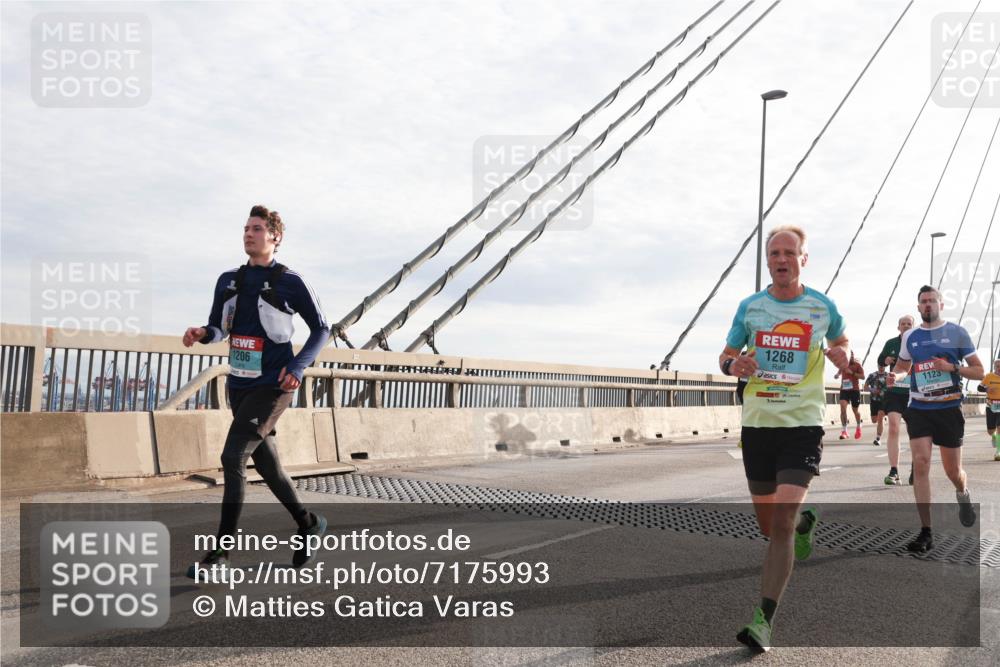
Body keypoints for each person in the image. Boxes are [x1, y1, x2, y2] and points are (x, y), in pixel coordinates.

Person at [720, 225, 850, 653]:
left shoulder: (822, 306)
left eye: (789, 253)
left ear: (803, 259)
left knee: (779, 522)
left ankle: (763, 620)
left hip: (803, 423)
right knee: (768, 525)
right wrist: (734, 365)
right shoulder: (750, 308)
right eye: (774, 253)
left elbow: (843, 342)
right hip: (758, 424)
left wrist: (843, 355)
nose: (781, 259)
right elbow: (726, 355)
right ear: (768, 260)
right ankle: (804, 523)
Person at [182, 205, 331, 576]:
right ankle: (309, 523)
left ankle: (220, 555)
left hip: (274, 386)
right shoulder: (228, 280)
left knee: (233, 458)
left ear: (275, 237)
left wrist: (297, 367)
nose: (249, 234)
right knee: (269, 466)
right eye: (246, 228)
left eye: (258, 229)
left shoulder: (290, 282)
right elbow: (220, 328)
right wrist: (203, 334)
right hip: (240, 385)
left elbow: (322, 328)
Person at [889, 285, 984, 553]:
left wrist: (952, 367)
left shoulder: (957, 333)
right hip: (919, 408)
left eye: (932, 300)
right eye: (923, 301)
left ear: (941, 305)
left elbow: (979, 371)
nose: (928, 305)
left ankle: (963, 494)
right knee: (920, 463)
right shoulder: (910, 336)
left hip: (948, 409)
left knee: (953, 472)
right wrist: (894, 376)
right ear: (918, 307)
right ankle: (926, 532)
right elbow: (902, 367)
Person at [877, 315, 914, 485]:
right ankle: (894, 470)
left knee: (916, 432)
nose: (906, 326)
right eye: (903, 324)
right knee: (893, 427)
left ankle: (916, 466)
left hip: (915, 392)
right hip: (895, 391)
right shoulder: (891, 343)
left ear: (913, 326)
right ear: (898, 327)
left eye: (909, 324)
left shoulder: (917, 342)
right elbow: (880, 360)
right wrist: (885, 360)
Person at [835, 355, 864, 440]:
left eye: (851, 356)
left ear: (853, 356)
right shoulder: (843, 364)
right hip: (844, 389)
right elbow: (840, 371)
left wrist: (852, 373)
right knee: (842, 408)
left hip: (855, 390)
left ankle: (858, 426)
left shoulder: (857, 365)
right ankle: (844, 431)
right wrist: (837, 375)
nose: (849, 358)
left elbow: (863, 377)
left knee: (855, 410)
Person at [976, 359, 1000, 461]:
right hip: (991, 405)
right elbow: (979, 387)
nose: (999, 368)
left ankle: (998, 451)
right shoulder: (989, 376)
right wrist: (987, 389)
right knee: (991, 430)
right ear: (994, 367)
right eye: (998, 366)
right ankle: (994, 437)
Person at [863, 365, 889, 446]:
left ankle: (878, 438)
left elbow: (892, 387)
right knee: (874, 420)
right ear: (877, 365)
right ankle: (882, 419)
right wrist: (872, 390)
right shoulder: (872, 375)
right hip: (874, 400)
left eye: (883, 365)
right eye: (880, 365)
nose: (881, 367)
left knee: (880, 417)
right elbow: (865, 387)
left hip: (883, 400)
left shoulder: (888, 376)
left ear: (885, 366)